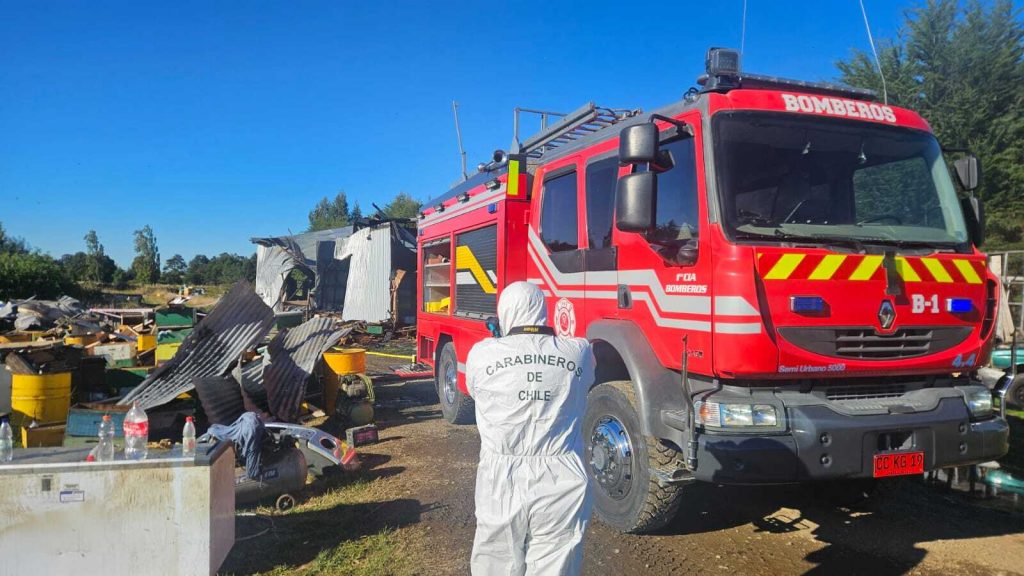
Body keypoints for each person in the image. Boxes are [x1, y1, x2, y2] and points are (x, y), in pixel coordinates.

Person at [466, 281, 595, 576]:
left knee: (495, 563)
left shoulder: (481, 354)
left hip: (500, 477)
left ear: (504, 313)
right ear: (543, 311)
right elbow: (587, 379)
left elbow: (476, 392)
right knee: (556, 563)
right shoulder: (578, 351)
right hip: (561, 477)